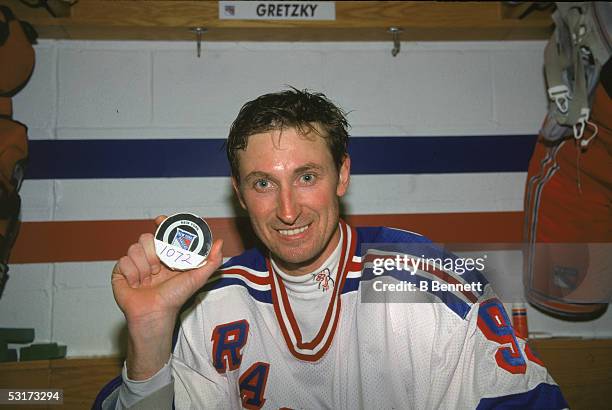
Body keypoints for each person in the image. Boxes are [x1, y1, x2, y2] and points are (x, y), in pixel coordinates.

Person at [97, 89, 567, 409]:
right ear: (240, 195)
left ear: (341, 175)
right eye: (263, 183)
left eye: (306, 177)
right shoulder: (212, 301)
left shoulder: (422, 278)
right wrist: (151, 330)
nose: (287, 210)